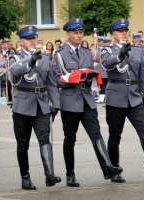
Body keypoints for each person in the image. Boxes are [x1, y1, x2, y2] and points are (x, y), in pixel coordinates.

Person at [53, 18, 123, 187]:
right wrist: (76, 78)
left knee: (96, 134)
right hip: (69, 101)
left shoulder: (86, 52)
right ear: (68, 34)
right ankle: (70, 174)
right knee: (70, 139)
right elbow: (57, 80)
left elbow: (91, 70)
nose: (79, 35)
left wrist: (90, 75)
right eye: (75, 33)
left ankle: (107, 167)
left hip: (87, 100)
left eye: (80, 32)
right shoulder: (60, 54)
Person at [101, 19, 144, 183]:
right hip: (116, 97)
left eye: (126, 30)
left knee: (143, 129)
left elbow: (142, 75)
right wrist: (121, 53)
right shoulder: (106, 50)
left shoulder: (137, 49)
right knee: (115, 135)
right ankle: (114, 169)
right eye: (120, 31)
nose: (124, 33)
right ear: (113, 34)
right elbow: (107, 64)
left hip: (135, 96)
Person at [10, 25, 61, 190]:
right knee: (23, 143)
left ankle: (49, 174)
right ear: (21, 42)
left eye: (34, 38)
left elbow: (52, 83)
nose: (33, 41)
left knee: (44, 140)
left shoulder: (45, 58)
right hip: (23, 105)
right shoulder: (15, 58)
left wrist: (56, 104)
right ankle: (25, 178)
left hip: (41, 104)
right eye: (29, 39)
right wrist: (31, 60)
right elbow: (16, 72)